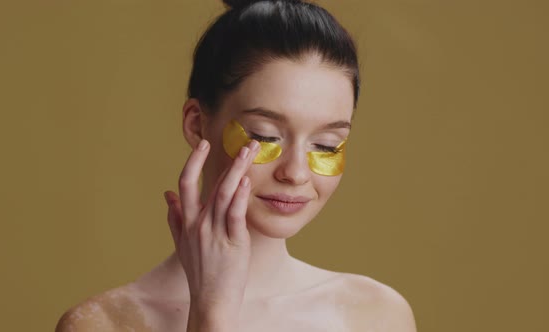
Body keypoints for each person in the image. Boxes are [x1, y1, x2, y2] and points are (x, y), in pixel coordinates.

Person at [56, 0, 417, 331]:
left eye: (326, 145)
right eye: (265, 136)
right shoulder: (104, 323)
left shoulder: (374, 315)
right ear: (197, 124)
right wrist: (213, 310)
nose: (296, 172)